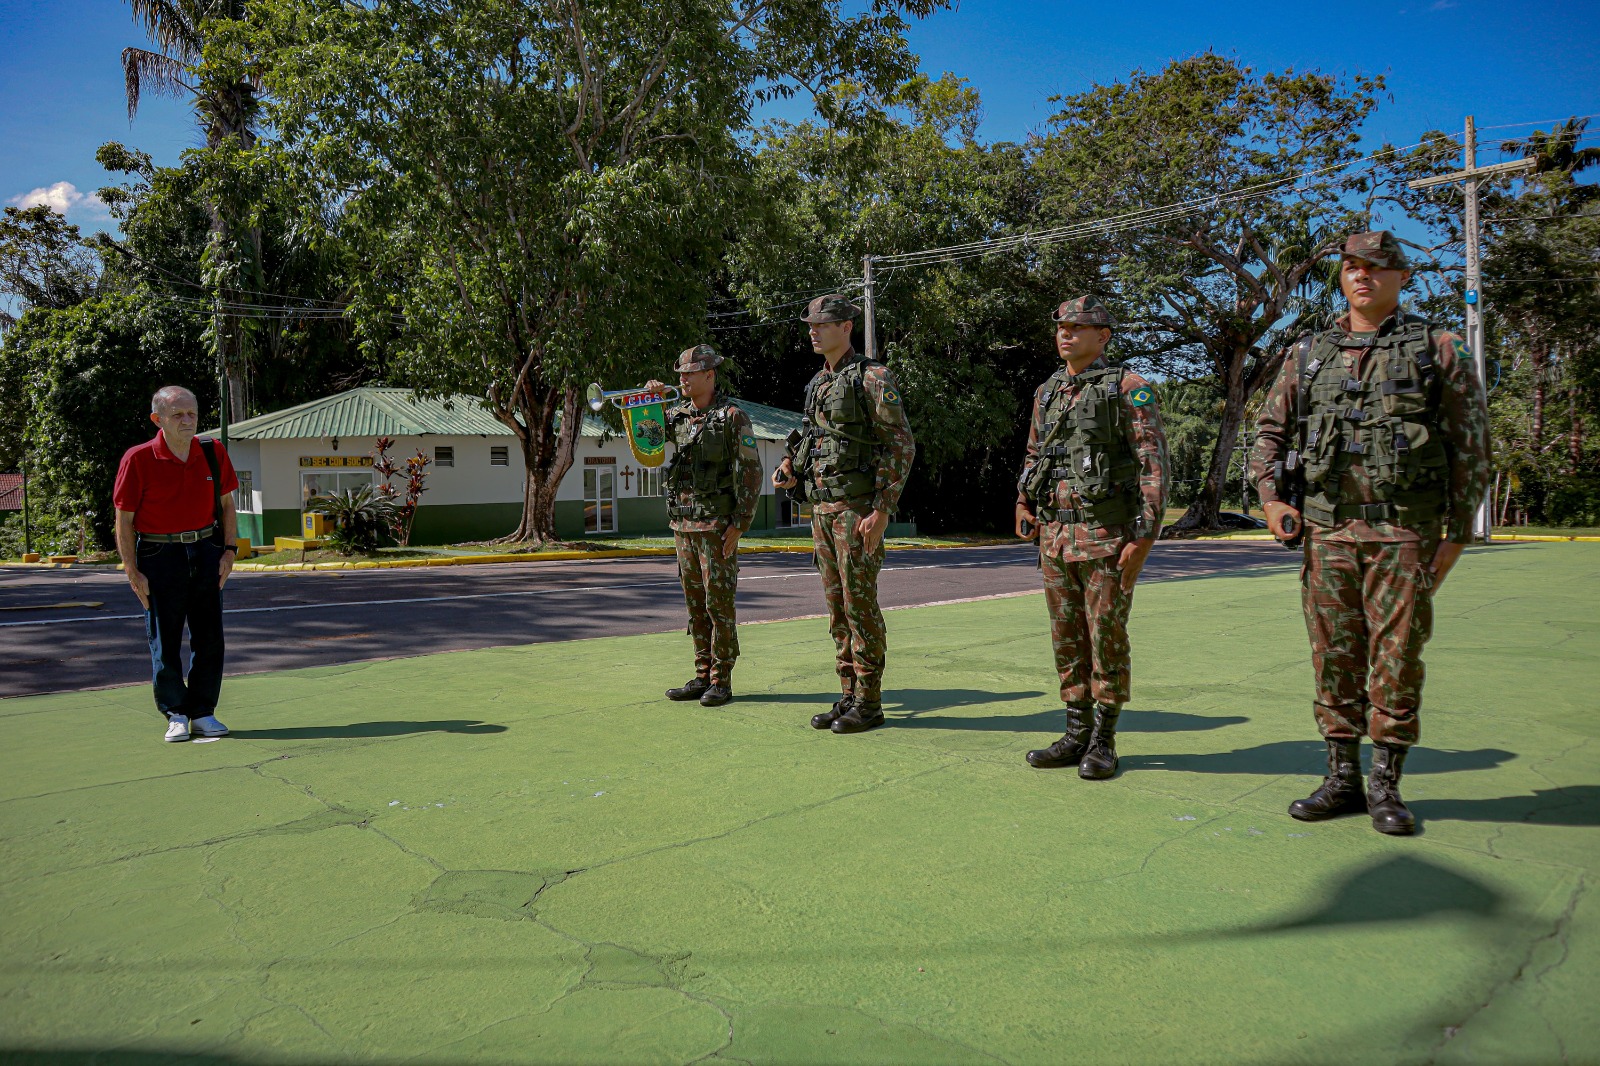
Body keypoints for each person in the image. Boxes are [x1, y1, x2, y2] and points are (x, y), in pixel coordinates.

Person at [1251, 230, 1492, 835]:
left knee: (1397, 658)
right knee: (1334, 656)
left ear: (1401, 277)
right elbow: (1269, 436)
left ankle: (1386, 783)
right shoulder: (1306, 354)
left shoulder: (1440, 349)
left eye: (1377, 268)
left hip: (1404, 533)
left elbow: (1472, 447)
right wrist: (1273, 499)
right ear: (1342, 276)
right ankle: (1341, 778)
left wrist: (1456, 537)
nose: (1363, 277)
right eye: (1353, 267)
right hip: (1327, 532)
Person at [1015, 296, 1169, 779]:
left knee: (1105, 637)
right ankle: (1075, 730)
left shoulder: (1131, 388)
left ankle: (1104, 739)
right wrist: (1023, 501)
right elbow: (1035, 453)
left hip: (1106, 534)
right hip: (1056, 535)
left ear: (1103, 336)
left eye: (1078, 327)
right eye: (1061, 326)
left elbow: (1153, 463)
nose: (1066, 334)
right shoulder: (1048, 391)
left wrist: (1144, 536)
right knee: (1066, 637)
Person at [773, 294, 916, 734]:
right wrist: (790, 467)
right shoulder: (818, 383)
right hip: (822, 510)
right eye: (811, 325)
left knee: (860, 606)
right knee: (837, 609)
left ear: (847, 327)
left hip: (856, 512)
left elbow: (900, 444)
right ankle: (849, 694)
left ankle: (870, 703)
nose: (813, 331)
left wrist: (882, 509)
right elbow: (814, 438)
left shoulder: (873, 377)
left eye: (823, 324)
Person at [113, 386, 240, 742]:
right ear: (158, 420)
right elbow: (123, 520)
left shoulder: (212, 452)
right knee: (165, 640)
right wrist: (131, 570)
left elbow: (227, 505)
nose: (187, 421)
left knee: (210, 638)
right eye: (178, 415)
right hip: (158, 555)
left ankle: (203, 712)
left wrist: (229, 551)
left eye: (192, 414)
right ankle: (176, 714)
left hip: (205, 550)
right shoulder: (137, 459)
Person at [652, 345, 763, 706]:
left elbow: (751, 472)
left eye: (690, 373)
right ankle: (702, 674)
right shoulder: (677, 416)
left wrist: (740, 523)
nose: (682, 380)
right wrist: (647, 405)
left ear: (710, 375)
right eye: (680, 374)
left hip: (716, 526)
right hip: (684, 524)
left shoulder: (732, 417)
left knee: (719, 605)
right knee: (695, 605)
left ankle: (722, 679)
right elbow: (648, 443)